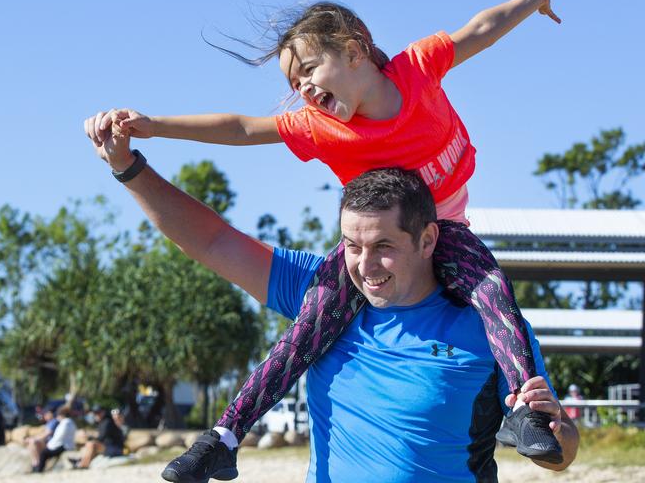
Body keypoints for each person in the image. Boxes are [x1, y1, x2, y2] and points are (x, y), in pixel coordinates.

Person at [84, 0, 564, 480]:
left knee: (493, 290)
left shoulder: (418, 68)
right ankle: (223, 438)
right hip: (405, 238)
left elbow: (481, 28)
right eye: (294, 83)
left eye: (309, 69)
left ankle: (525, 410)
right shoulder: (322, 128)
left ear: (356, 51)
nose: (304, 88)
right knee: (307, 328)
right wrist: (155, 129)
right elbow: (242, 128)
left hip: (450, 230)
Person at [84, 126, 579, 481]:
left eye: (384, 246)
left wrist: (557, 430)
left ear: (428, 240)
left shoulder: (490, 328)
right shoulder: (321, 293)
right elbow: (213, 241)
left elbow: (560, 456)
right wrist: (129, 169)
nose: (365, 265)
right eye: (352, 245)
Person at [29, 404, 77, 473]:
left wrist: (49, 445)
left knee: (44, 453)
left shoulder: (65, 423)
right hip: (66, 445)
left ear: (61, 415)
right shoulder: (71, 422)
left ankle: (39, 469)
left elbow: (59, 437)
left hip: (63, 446)